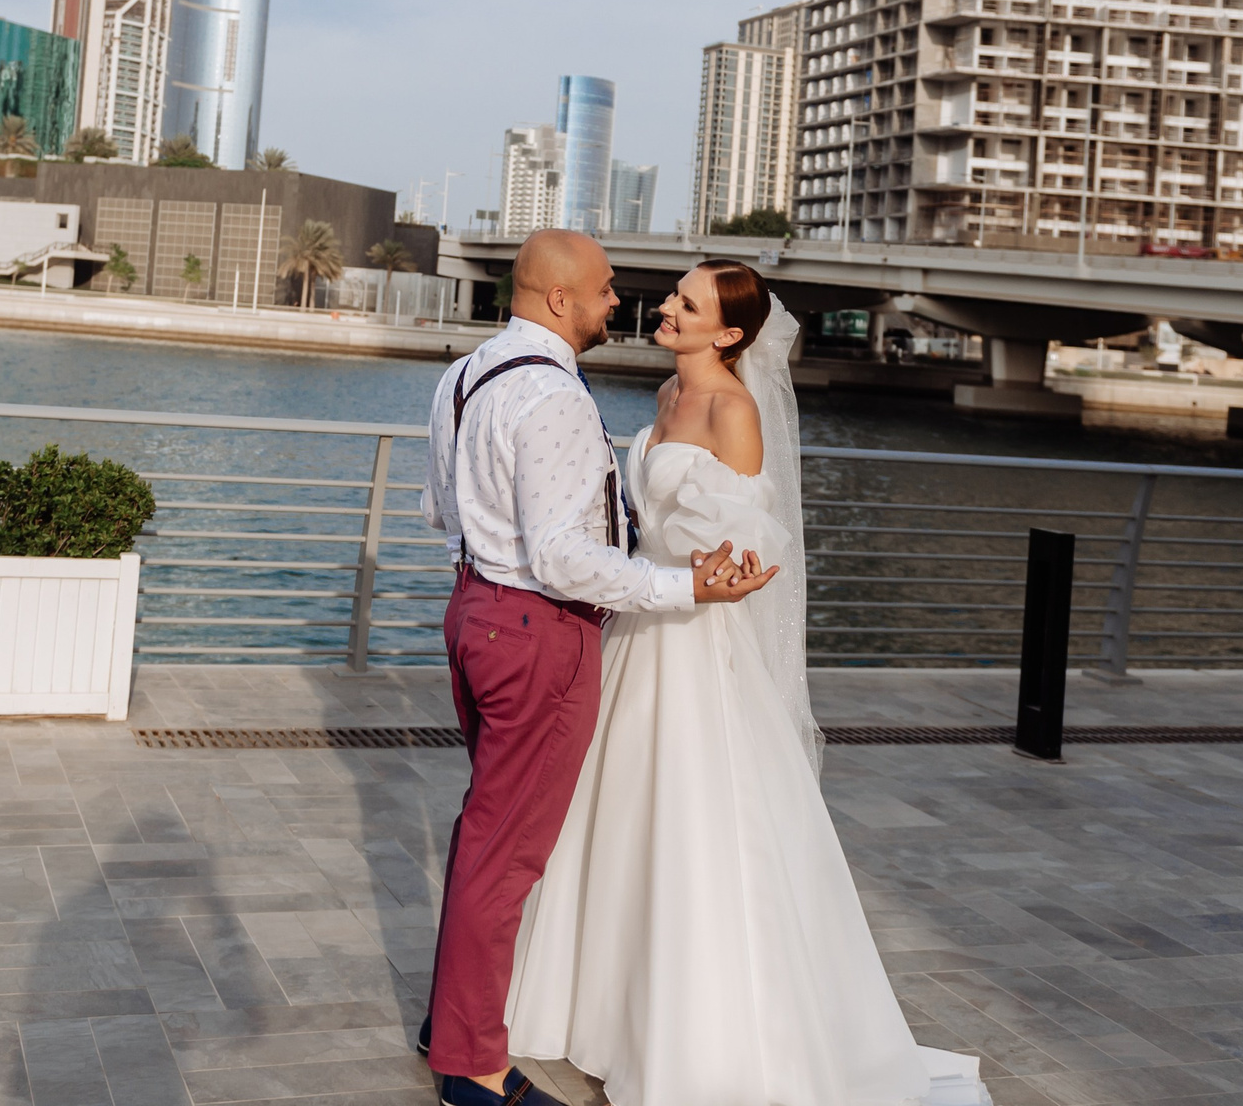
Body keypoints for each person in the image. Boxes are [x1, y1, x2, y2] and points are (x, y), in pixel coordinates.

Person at [505, 259, 991, 1106]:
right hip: (640, 623)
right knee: (615, 815)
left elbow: (758, 548)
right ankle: (600, 1009)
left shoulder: (735, 409)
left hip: (694, 638)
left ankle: (698, 1034)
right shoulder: (665, 399)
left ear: (729, 334)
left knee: (692, 821)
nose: (669, 308)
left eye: (688, 305)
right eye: (674, 297)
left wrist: (707, 563)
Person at [419, 230, 778, 1106]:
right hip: (538, 634)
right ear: (558, 300)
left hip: (474, 614)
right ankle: (470, 1064)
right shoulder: (554, 398)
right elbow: (563, 558)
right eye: (608, 288)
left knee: (487, 836)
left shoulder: (465, 375)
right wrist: (675, 582)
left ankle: (454, 1018)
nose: (624, 301)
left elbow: (439, 507)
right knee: (501, 854)